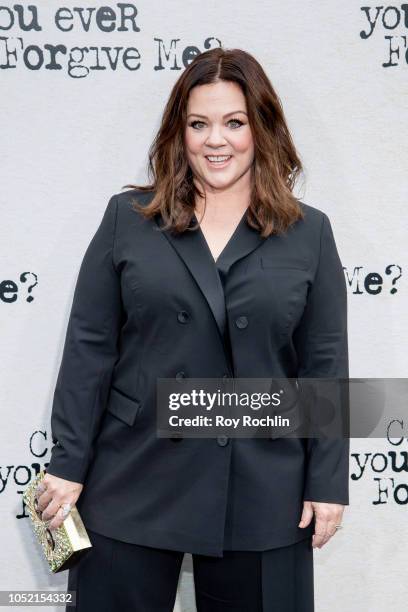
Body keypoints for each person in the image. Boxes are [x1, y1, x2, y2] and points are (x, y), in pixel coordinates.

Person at [35, 47, 349, 611]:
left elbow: (323, 365)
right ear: (179, 133)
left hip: (262, 482)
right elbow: (90, 349)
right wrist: (66, 464)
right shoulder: (127, 219)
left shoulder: (310, 234)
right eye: (198, 124)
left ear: (263, 129)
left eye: (234, 123)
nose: (215, 140)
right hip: (133, 474)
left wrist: (327, 479)